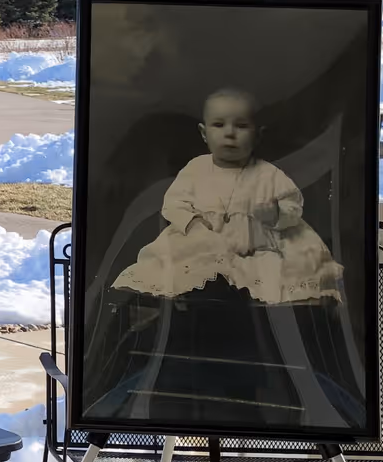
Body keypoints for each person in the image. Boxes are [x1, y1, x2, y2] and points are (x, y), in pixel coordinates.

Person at [110, 88, 343, 306]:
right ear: (204, 133)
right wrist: (193, 222)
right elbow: (174, 204)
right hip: (204, 240)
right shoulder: (196, 168)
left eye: (241, 126)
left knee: (275, 274)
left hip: (260, 245)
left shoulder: (268, 174)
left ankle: (253, 320)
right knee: (187, 269)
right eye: (219, 125)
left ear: (257, 135)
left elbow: (293, 205)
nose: (229, 133)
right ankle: (199, 310)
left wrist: (275, 215)